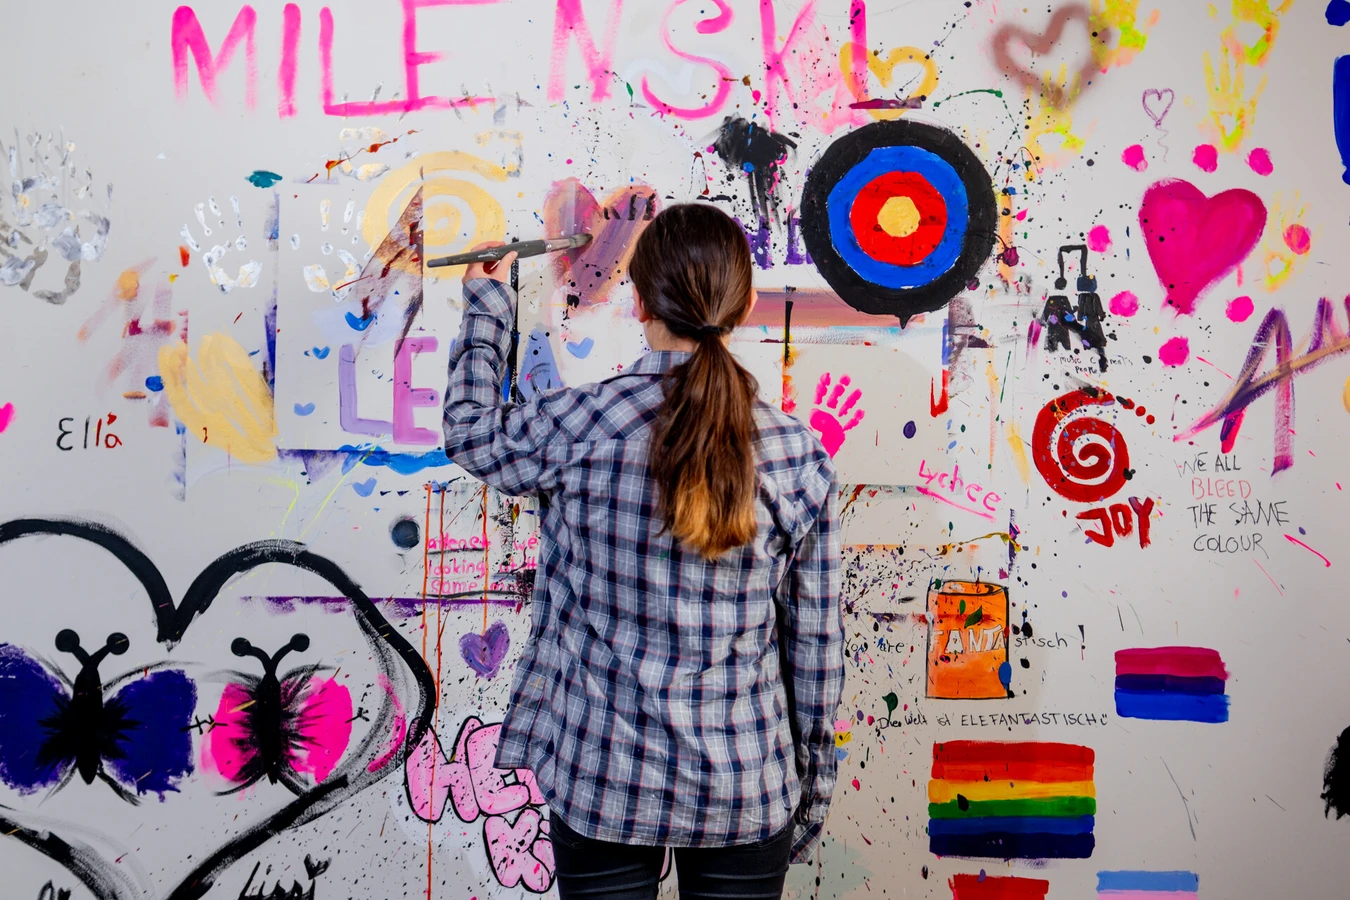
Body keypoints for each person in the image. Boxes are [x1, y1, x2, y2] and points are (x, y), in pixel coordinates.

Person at [443, 203, 844, 900]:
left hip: (600, 778)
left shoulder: (577, 425)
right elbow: (814, 647)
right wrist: (808, 793)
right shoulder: (795, 454)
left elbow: (472, 430)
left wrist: (488, 304)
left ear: (638, 303)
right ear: (745, 304)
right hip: (743, 784)